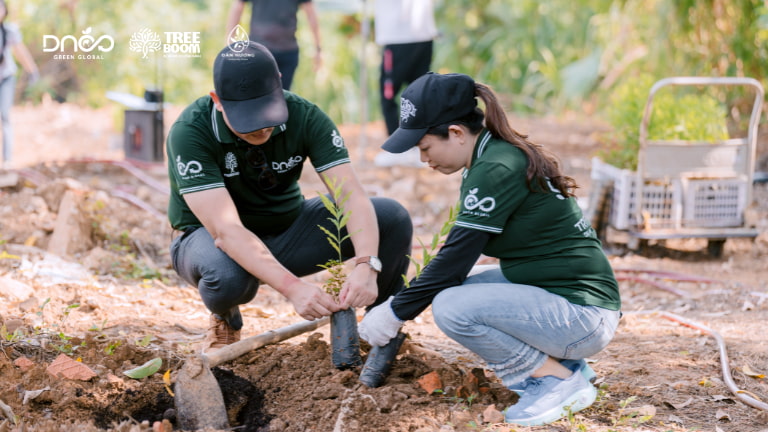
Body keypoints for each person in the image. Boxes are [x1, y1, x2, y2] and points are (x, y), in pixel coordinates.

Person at [358, 72, 622, 426]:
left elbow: (453, 260)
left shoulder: (495, 167)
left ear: (455, 133)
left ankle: (553, 381)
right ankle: (567, 366)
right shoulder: (490, 156)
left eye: (424, 148)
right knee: (454, 290)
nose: (424, 160)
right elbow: (455, 260)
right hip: (573, 300)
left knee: (452, 306)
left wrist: (394, 312)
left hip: (582, 316)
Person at [166, 41, 412, 353]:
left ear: (279, 85)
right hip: (209, 243)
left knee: (390, 217)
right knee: (227, 276)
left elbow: (350, 194)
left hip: (287, 233)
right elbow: (227, 232)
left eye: (267, 115)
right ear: (217, 101)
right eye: (248, 120)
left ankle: (380, 327)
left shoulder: (306, 116)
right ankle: (225, 317)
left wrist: (367, 265)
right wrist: (293, 288)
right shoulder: (191, 132)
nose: (262, 129)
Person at [372, 0, 437, 168]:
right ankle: (419, 145)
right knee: (419, 92)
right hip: (424, 34)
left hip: (397, 36)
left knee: (388, 93)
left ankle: (399, 149)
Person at [226, 0, 321, 91]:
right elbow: (237, 8)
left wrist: (230, 44)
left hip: (282, 52)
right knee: (271, 97)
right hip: (261, 51)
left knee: (263, 97)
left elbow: (311, 14)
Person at [0, 0, 39, 169]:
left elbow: (20, 52)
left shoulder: (9, 31)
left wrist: (32, 71)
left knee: (5, 115)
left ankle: (8, 159)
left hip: (6, 77)